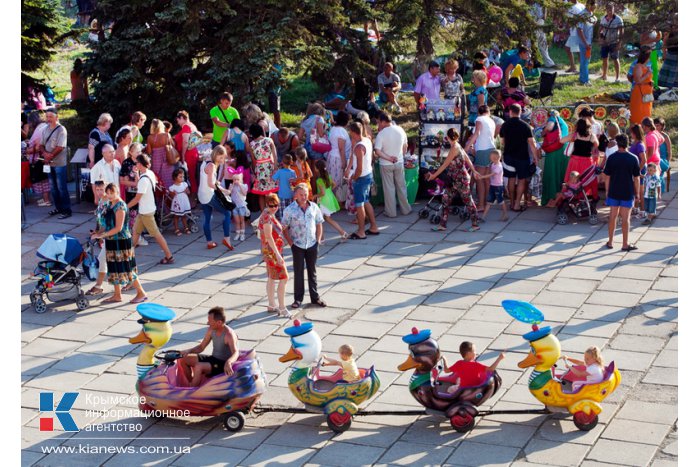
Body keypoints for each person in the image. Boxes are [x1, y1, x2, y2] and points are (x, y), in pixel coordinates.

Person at [90, 183, 148, 304]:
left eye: (112, 193)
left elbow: (118, 228)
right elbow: (106, 224)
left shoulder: (120, 206)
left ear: (117, 192)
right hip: (112, 241)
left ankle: (141, 293)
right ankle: (117, 295)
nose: (110, 195)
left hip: (121, 242)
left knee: (127, 269)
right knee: (114, 269)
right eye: (108, 193)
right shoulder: (110, 204)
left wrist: (102, 235)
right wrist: (98, 232)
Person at [426, 127, 481, 232]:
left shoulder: (454, 148)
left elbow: (444, 165)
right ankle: (442, 224)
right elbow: (467, 159)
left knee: (468, 201)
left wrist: (434, 175)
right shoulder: (458, 145)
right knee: (446, 199)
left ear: (447, 137)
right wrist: (473, 171)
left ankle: (475, 224)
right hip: (454, 180)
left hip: (460, 180)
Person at [281, 184, 326, 309]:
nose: (304, 197)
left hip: (312, 244)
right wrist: (290, 243)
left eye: (305, 194)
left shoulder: (314, 207)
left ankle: (315, 298)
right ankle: (298, 299)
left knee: (313, 272)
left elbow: (319, 223)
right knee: (298, 272)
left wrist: (318, 240)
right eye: (301, 194)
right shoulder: (289, 210)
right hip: (298, 245)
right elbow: (284, 227)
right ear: (296, 195)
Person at [127, 154, 176, 264]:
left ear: (139, 164)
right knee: (135, 232)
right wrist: (136, 174)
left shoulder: (143, 180)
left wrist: (125, 207)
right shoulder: (150, 174)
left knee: (157, 235)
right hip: (146, 210)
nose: (135, 165)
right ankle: (128, 255)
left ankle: (169, 256)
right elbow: (141, 184)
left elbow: (137, 198)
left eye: (136, 163)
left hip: (146, 212)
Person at [181, 307, 240, 387]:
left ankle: (191, 391)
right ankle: (191, 384)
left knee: (199, 366)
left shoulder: (229, 335)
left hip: (222, 363)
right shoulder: (211, 330)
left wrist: (228, 362)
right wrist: (188, 351)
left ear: (219, 322)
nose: (207, 323)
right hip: (213, 359)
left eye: (210, 321)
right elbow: (201, 347)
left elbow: (236, 352)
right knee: (183, 359)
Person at [604, 134, 640, 251]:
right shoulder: (633, 158)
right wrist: (637, 193)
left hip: (614, 191)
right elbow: (637, 178)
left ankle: (610, 242)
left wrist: (607, 191)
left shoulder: (612, 158)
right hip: (627, 192)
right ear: (628, 143)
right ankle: (625, 244)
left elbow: (607, 177)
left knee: (612, 217)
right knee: (626, 219)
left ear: (617, 144)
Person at [500, 104, 539, 212]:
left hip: (508, 155)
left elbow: (502, 142)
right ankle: (517, 204)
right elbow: (532, 143)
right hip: (522, 157)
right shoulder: (525, 126)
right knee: (522, 179)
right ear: (520, 112)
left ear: (510, 112)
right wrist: (535, 157)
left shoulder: (505, 125)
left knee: (511, 179)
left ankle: (511, 202)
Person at [258, 194, 291, 318]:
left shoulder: (268, 214)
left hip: (269, 251)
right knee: (284, 278)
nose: (274, 208)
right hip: (272, 252)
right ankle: (282, 307)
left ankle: (272, 304)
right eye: (271, 206)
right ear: (267, 204)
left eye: (276, 205)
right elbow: (268, 237)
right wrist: (277, 255)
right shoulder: (267, 217)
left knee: (271, 278)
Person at [374, 112, 411, 218]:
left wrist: (389, 158)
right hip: (399, 162)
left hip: (386, 164)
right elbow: (405, 146)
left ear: (383, 121)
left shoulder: (381, 134)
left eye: (378, 122)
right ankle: (406, 209)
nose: (378, 124)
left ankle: (391, 212)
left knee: (389, 188)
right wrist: (400, 157)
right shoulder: (400, 130)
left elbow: (377, 151)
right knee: (401, 186)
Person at [347, 122, 380, 239]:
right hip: (368, 174)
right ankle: (373, 226)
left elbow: (359, 168)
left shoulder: (359, 147)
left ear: (353, 132)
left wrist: (353, 178)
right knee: (366, 201)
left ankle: (361, 231)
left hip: (361, 178)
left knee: (359, 204)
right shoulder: (367, 141)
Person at [198, 145, 234, 251]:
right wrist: (224, 190)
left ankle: (209, 242)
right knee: (227, 213)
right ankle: (226, 239)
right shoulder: (212, 166)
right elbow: (210, 184)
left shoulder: (206, 162)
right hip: (209, 195)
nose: (223, 160)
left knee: (207, 218)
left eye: (224, 157)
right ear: (216, 154)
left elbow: (207, 179)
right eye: (221, 157)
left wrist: (216, 182)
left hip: (202, 195)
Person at [40, 108, 72, 219]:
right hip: (49, 164)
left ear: (56, 117)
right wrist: (44, 153)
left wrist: (49, 156)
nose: (48, 119)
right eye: (47, 117)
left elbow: (60, 147)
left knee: (61, 187)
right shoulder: (45, 129)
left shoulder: (61, 130)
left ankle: (67, 210)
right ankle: (59, 208)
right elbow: (41, 144)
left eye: (51, 117)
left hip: (59, 163)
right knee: (53, 187)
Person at [466, 105, 498, 211]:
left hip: (482, 150)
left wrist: (466, 147)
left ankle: (480, 205)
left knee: (479, 179)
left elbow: (477, 133)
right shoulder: (491, 121)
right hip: (492, 149)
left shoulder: (479, 119)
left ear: (479, 113)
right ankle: (486, 203)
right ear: (488, 112)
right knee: (487, 179)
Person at [560, 118, 599, 200]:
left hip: (575, 161)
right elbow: (596, 145)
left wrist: (571, 140)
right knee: (585, 180)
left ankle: (571, 196)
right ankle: (584, 197)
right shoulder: (592, 136)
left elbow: (561, 141)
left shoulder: (575, 135)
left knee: (572, 180)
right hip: (587, 161)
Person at [540, 110, 570, 207]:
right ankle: (561, 198)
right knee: (561, 174)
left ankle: (551, 198)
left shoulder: (552, 118)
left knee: (552, 173)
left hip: (554, 151)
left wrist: (543, 132)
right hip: (563, 151)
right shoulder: (563, 123)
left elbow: (549, 127)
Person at [315, 160, 348, 242]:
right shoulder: (328, 176)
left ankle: (321, 239)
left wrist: (315, 196)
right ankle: (343, 233)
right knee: (328, 219)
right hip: (329, 199)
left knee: (319, 220)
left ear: (317, 169)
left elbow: (322, 193)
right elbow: (335, 184)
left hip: (322, 201)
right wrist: (329, 190)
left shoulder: (319, 180)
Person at [249, 123, 279, 211]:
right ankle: (273, 210)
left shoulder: (252, 144)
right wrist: (275, 167)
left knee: (261, 193)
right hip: (269, 166)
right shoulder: (269, 140)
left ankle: (263, 213)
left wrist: (254, 171)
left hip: (259, 168)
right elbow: (275, 155)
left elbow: (253, 160)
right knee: (272, 191)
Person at [85, 181, 108, 296]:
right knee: (116, 261)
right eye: (97, 189)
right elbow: (100, 220)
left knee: (103, 259)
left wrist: (99, 234)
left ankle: (98, 285)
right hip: (104, 236)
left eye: (101, 189)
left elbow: (107, 223)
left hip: (110, 236)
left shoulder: (108, 202)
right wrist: (97, 232)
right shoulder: (100, 201)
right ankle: (132, 283)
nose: (99, 192)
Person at [173, 110, 200, 194]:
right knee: (191, 176)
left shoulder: (186, 126)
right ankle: (194, 195)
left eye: (178, 120)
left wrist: (183, 155)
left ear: (181, 118)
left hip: (189, 154)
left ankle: (193, 195)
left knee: (190, 176)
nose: (177, 122)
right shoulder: (192, 125)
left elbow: (185, 142)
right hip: (193, 152)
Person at [328, 111, 352, 203]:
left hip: (332, 156)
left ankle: (334, 200)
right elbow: (341, 148)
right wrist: (344, 161)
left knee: (333, 179)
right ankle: (336, 201)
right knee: (337, 181)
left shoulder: (333, 128)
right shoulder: (341, 131)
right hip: (338, 158)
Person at [479, 150, 508, 222]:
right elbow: (490, 171)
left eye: (490, 157)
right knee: (489, 202)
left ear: (495, 158)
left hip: (498, 187)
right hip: (492, 186)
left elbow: (491, 174)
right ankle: (483, 217)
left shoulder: (499, 167)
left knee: (501, 201)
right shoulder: (493, 164)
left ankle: (505, 214)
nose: (489, 158)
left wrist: (482, 177)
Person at [598, 3, 624, 82]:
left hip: (614, 42)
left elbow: (621, 31)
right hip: (605, 42)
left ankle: (617, 77)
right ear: (606, 10)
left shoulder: (618, 19)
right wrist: (600, 38)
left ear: (614, 9)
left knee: (615, 59)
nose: (609, 11)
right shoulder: (603, 18)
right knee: (604, 58)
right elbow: (600, 29)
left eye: (611, 9)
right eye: (608, 9)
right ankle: (604, 75)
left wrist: (619, 42)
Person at [145, 119, 173, 187]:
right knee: (168, 178)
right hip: (167, 158)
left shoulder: (150, 137)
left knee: (157, 177)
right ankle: (169, 195)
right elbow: (171, 146)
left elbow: (149, 152)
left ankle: (159, 195)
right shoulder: (167, 135)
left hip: (156, 160)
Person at [630, 48, 654, 126]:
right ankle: (637, 129)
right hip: (640, 92)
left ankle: (645, 128)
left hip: (647, 92)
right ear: (646, 57)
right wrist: (647, 74)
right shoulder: (638, 67)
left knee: (646, 111)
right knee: (639, 111)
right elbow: (638, 81)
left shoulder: (646, 66)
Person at [575, 0, 596, 86]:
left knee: (585, 60)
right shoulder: (583, 14)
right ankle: (585, 80)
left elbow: (592, 23)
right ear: (589, 5)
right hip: (584, 42)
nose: (595, 7)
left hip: (588, 41)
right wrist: (586, 43)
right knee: (585, 61)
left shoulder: (590, 13)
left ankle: (582, 78)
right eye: (594, 5)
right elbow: (579, 30)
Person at [532, 2, 556, 68]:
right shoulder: (528, 4)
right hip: (531, 24)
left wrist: (545, 10)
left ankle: (549, 63)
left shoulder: (541, 4)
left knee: (543, 44)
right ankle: (531, 62)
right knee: (532, 44)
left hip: (540, 23)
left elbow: (544, 17)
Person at [169, 167, 192, 236]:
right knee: (176, 216)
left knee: (184, 215)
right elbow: (171, 196)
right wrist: (173, 193)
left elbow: (189, 192)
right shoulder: (172, 187)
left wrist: (186, 191)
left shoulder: (184, 184)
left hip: (184, 201)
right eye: (180, 177)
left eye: (183, 176)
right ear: (175, 178)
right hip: (178, 203)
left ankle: (186, 227)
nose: (182, 178)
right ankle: (176, 228)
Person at [272, 154, 296, 218]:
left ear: (282, 162)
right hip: (291, 194)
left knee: (282, 213)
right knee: (290, 212)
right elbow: (294, 181)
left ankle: (283, 226)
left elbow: (273, 178)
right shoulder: (293, 172)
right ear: (291, 162)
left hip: (281, 195)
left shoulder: (280, 171)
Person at [654, 117, 673, 191]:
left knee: (657, 169)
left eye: (658, 125)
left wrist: (668, 162)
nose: (656, 127)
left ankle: (660, 190)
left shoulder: (665, 136)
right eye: (654, 125)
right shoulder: (652, 135)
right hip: (654, 159)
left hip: (663, 160)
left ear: (662, 126)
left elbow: (669, 151)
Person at [230, 172, 248, 240]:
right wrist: (232, 187)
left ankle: (242, 234)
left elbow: (244, 193)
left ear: (241, 180)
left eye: (238, 179)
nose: (236, 181)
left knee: (242, 220)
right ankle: (238, 233)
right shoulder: (231, 185)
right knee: (237, 221)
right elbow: (229, 192)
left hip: (241, 206)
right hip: (235, 206)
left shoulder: (244, 186)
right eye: (234, 179)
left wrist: (240, 185)